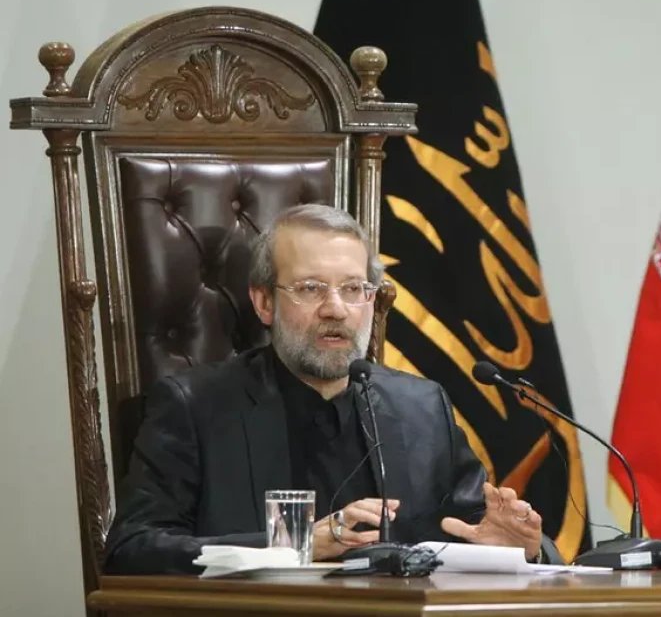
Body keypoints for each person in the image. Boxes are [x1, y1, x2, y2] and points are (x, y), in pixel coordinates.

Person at [105, 204, 551, 574]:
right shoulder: (195, 407)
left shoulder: (421, 406)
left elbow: (474, 529)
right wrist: (294, 546)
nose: (335, 309)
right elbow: (132, 549)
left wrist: (519, 550)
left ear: (372, 300)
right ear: (264, 302)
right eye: (310, 288)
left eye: (353, 288)